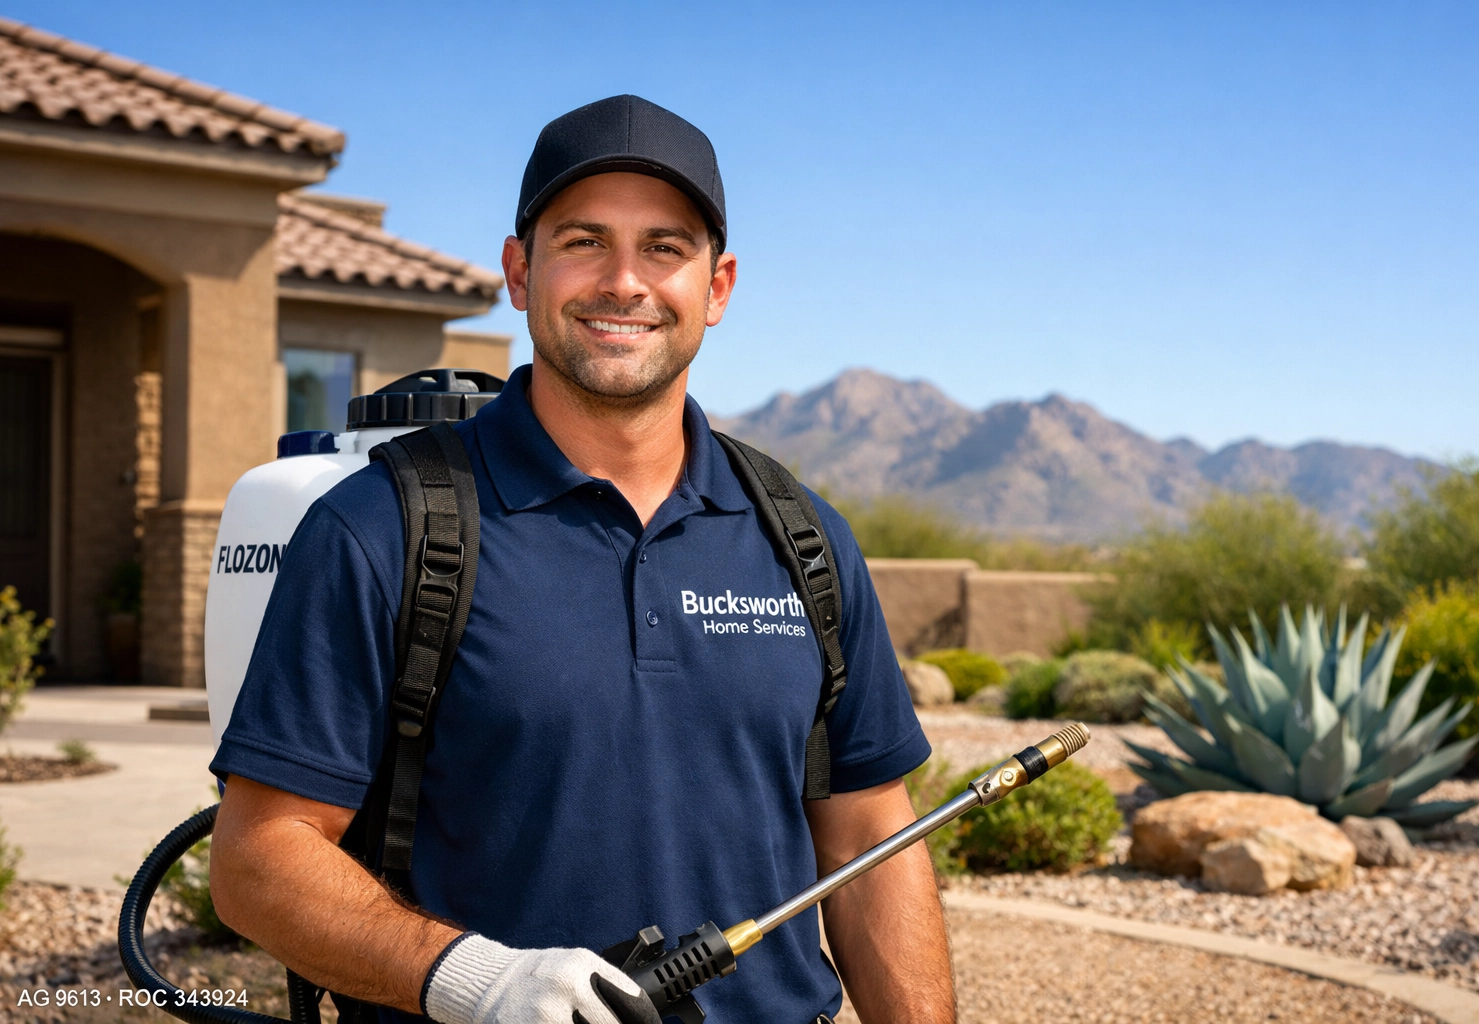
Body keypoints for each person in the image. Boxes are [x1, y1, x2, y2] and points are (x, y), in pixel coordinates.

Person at [208, 94, 955, 1024]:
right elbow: (256, 857)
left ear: (717, 287)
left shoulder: (803, 536)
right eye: (584, 241)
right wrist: (475, 981)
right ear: (521, 271)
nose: (623, 282)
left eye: (665, 248)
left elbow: (869, 839)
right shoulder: (381, 528)